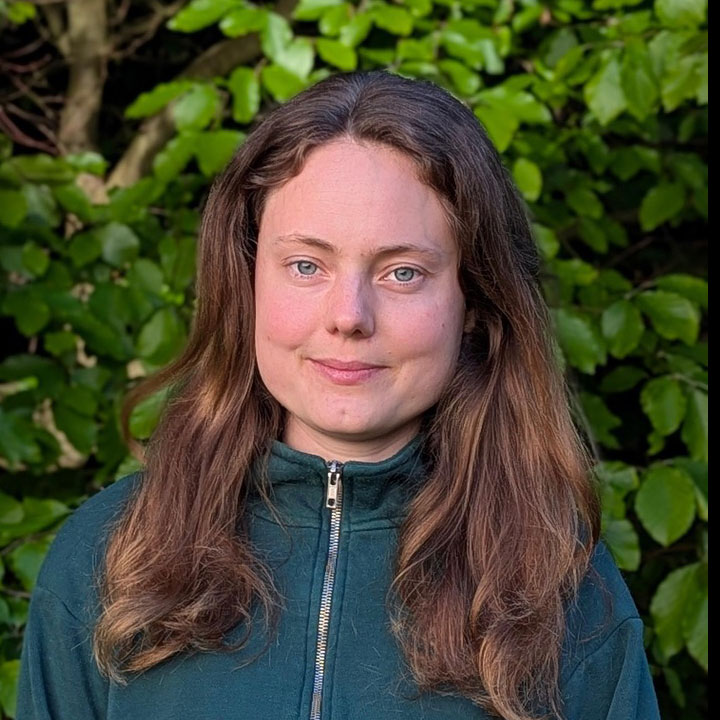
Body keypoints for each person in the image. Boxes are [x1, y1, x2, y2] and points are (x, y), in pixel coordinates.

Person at [16, 70, 661, 720]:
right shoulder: (109, 559)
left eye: (402, 272)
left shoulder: (563, 590)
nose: (349, 315)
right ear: (247, 282)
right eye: (306, 265)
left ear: (474, 300)